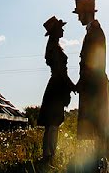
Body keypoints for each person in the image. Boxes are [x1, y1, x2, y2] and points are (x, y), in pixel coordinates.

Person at [73, 0, 109, 168]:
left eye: (79, 14)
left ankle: (103, 161)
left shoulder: (95, 32)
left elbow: (93, 62)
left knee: (99, 124)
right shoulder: (92, 31)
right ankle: (101, 161)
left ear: (86, 13)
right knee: (98, 124)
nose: (78, 18)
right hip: (93, 84)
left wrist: (83, 82)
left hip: (95, 85)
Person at [38, 15, 74, 164]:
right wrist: (71, 85)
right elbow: (60, 71)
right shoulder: (54, 47)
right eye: (61, 28)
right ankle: (49, 155)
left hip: (56, 85)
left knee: (52, 123)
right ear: (55, 31)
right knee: (53, 122)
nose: (63, 30)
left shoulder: (54, 46)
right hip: (57, 86)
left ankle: (48, 154)